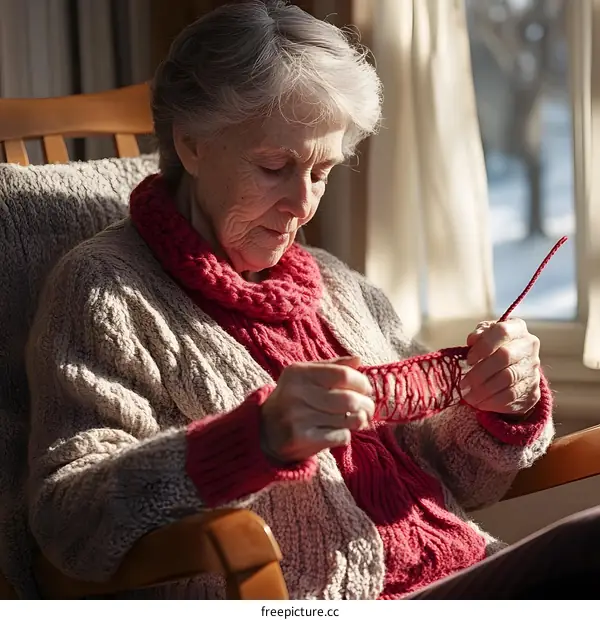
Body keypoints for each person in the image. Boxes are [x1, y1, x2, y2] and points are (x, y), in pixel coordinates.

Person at [25, 0, 556, 600]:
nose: (303, 205)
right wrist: (255, 440)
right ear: (192, 143)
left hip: (462, 573)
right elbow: (70, 521)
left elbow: (455, 476)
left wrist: (499, 404)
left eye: (322, 171)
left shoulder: (339, 287)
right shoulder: (105, 290)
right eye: (275, 165)